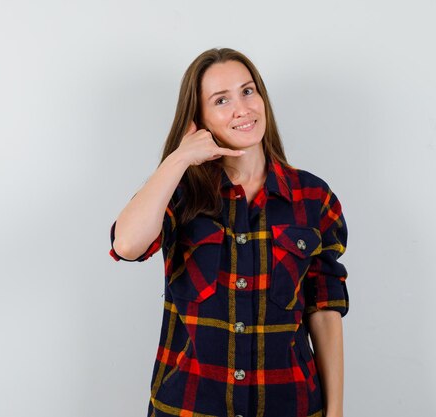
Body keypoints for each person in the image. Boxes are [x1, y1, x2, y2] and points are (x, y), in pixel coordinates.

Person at [108, 47, 349, 417]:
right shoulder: (181, 192)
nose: (242, 108)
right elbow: (126, 245)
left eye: (248, 91)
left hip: (290, 405)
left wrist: (335, 411)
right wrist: (179, 158)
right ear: (199, 118)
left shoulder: (312, 196)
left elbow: (325, 309)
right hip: (189, 407)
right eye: (221, 100)